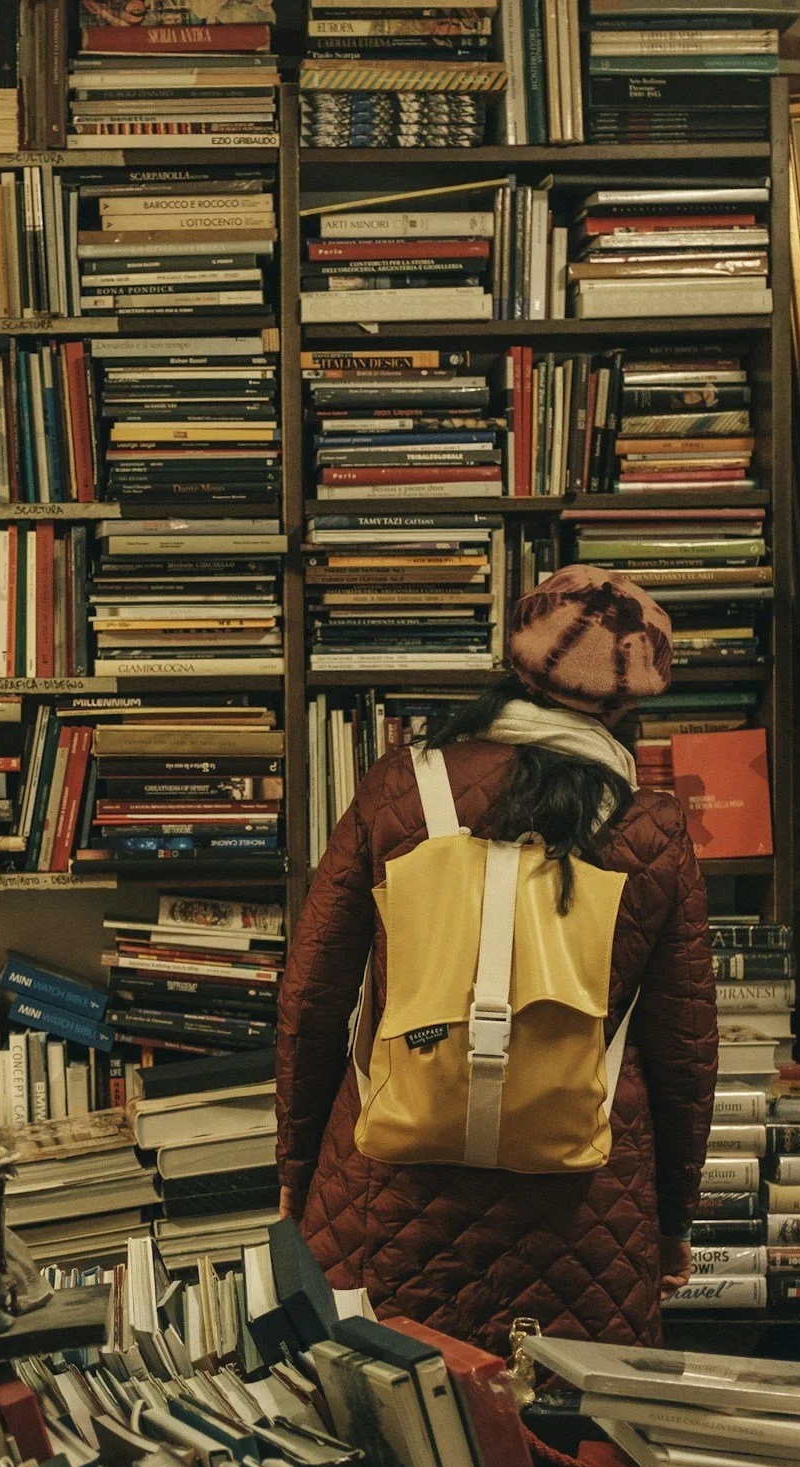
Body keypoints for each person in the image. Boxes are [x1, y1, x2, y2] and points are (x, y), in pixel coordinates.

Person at [274, 565, 718, 1352]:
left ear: (513, 666)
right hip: (588, 1205)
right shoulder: (654, 830)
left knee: (380, 1432)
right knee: (566, 1447)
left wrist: (298, 1167)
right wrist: (673, 1219)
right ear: (631, 707)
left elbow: (311, 999)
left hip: (384, 1189)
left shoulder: (396, 793)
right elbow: (684, 1053)